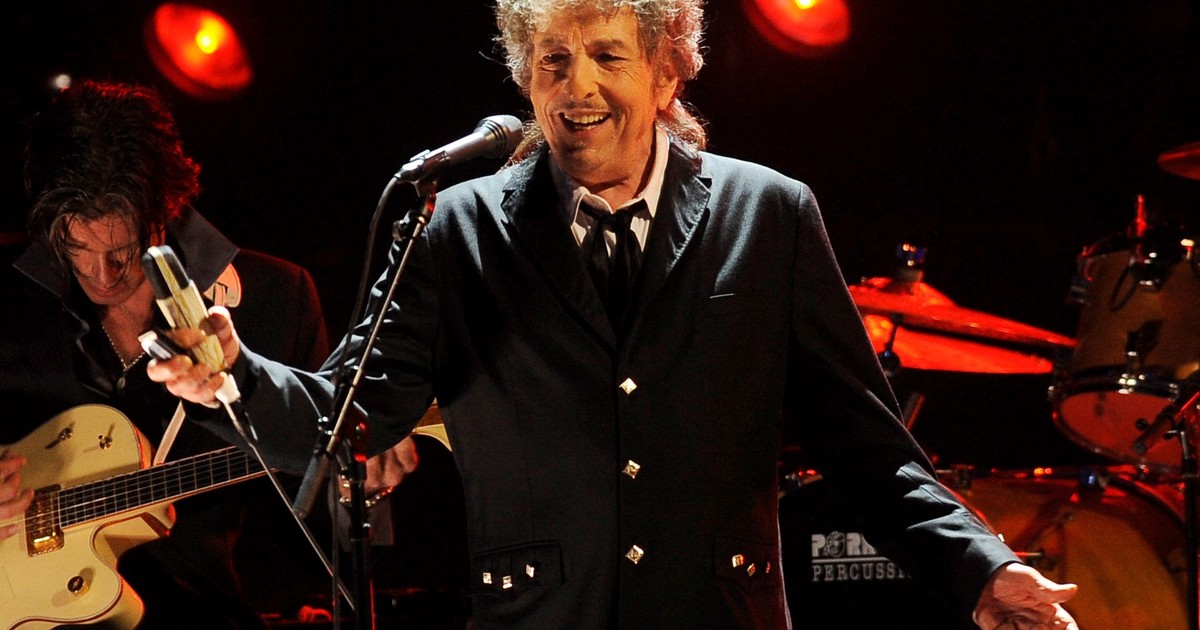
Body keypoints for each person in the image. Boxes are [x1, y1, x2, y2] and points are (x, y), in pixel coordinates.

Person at [149, 1, 1081, 628]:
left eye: (606, 56)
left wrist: (982, 568)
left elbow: (870, 447)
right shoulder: (454, 226)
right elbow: (349, 419)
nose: (578, 87)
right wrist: (234, 377)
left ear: (668, 73)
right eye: (553, 61)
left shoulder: (769, 213)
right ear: (527, 80)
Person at [0, 79, 371, 628]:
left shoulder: (274, 300)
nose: (102, 276)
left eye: (122, 251)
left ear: (165, 209)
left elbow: (322, 526)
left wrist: (362, 483)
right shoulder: (7, 296)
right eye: (76, 248)